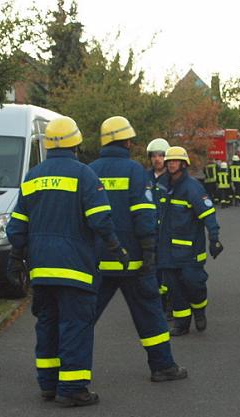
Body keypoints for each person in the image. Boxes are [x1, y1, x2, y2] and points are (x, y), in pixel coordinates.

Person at [5, 116, 128, 407]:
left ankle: (48, 384)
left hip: (41, 270)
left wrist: (15, 256)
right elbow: (100, 219)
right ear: (76, 143)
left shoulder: (33, 177)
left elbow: (17, 223)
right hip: (75, 268)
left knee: (47, 324)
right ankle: (72, 387)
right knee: (75, 325)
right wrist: (117, 248)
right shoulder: (84, 175)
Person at [89, 117, 187, 382]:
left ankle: (67, 368)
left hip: (98, 261)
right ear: (127, 141)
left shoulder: (89, 170)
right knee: (150, 314)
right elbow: (144, 215)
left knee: (83, 316)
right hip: (134, 262)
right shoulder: (134, 172)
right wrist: (149, 251)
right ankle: (163, 366)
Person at [157, 146, 222, 336]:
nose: (171, 164)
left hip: (189, 250)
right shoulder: (161, 185)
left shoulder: (192, 187)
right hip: (167, 250)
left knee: (194, 283)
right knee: (174, 289)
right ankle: (181, 324)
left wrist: (214, 238)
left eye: (175, 161)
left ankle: (199, 310)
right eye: (169, 161)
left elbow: (208, 213)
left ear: (184, 164)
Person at [145, 137, 172, 318]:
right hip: (149, 231)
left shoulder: (171, 179)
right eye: (154, 155)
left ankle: (169, 304)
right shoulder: (144, 177)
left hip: (167, 232)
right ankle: (156, 305)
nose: (157, 159)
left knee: (167, 270)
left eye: (161, 155)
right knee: (151, 270)